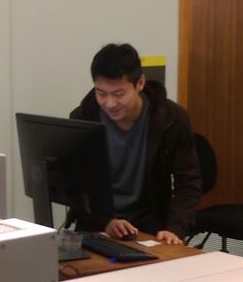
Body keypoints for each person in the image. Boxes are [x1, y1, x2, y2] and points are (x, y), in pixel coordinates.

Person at [70, 43, 201, 245]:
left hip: (151, 227)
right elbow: (74, 184)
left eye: (118, 94)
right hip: (97, 225)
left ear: (140, 83)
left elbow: (188, 182)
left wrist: (175, 228)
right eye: (101, 93)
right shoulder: (83, 119)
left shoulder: (171, 119)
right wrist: (104, 221)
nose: (109, 103)